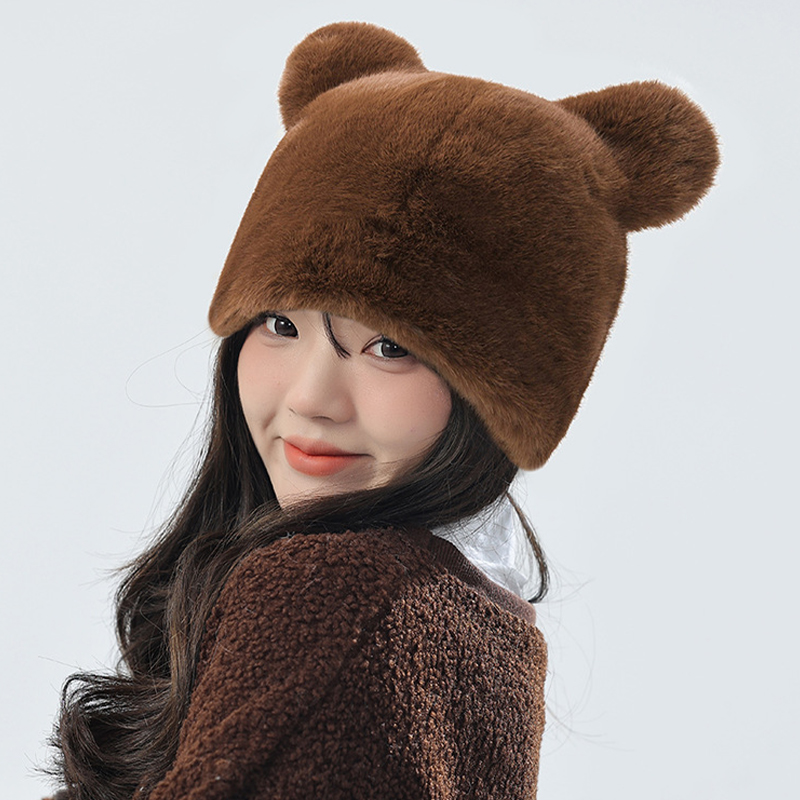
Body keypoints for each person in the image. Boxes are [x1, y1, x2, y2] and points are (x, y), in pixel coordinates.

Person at [47, 21, 719, 800]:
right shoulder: (481, 617)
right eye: (281, 325)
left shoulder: (329, 593)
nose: (311, 399)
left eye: (391, 348)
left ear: (499, 397)